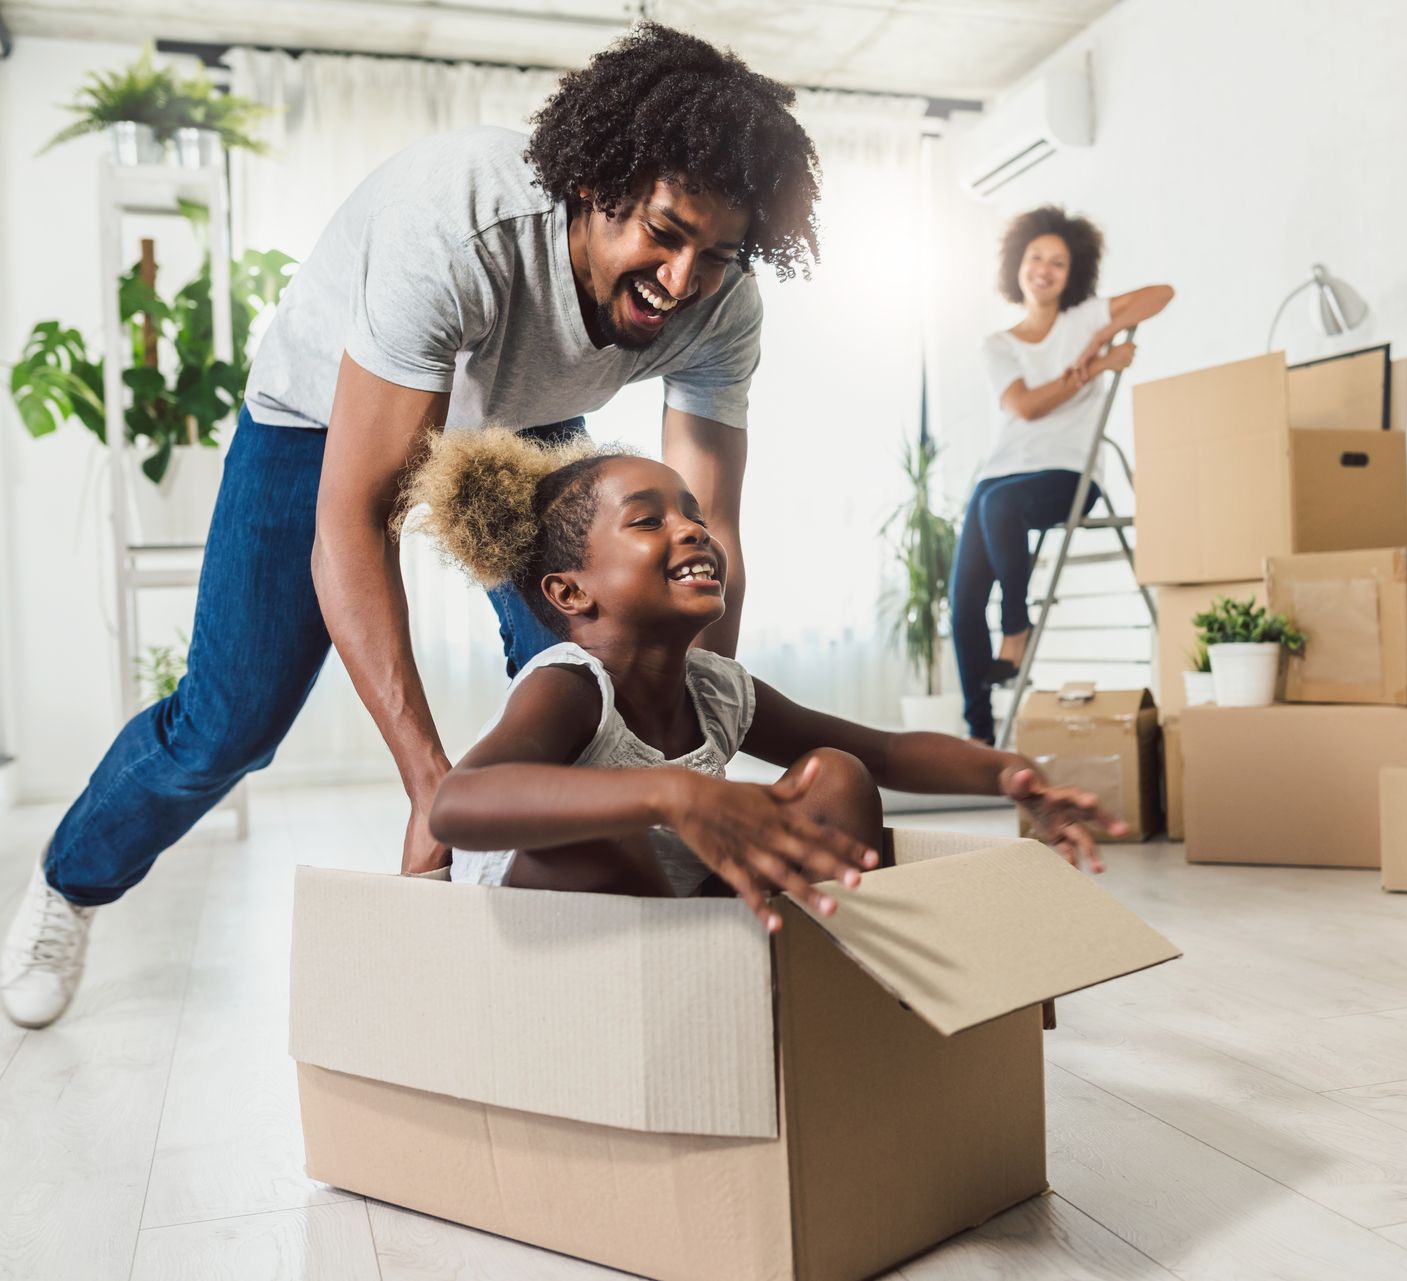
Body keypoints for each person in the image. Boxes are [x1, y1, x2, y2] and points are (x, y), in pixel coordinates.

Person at [1, 25, 820, 1029]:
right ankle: (70, 883)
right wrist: (431, 787)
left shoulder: (722, 304)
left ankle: (579, 944)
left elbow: (707, 536)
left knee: (601, 651)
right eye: (664, 232)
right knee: (229, 723)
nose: (683, 280)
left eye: (718, 253)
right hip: (321, 422)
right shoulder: (461, 224)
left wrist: (697, 750)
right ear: (600, 186)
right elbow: (356, 517)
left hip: (527, 419)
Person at [413, 429, 1124, 930]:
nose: (692, 530)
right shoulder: (569, 685)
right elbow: (456, 804)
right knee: (612, 831)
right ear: (571, 594)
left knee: (836, 776)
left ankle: (811, 983)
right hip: (546, 921)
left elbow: (885, 753)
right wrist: (671, 790)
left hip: (679, 909)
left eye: (693, 514)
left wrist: (1008, 772)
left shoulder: (715, 689)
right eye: (648, 521)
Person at [948, 206, 1173, 744]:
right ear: (1017, 265)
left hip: (1067, 476)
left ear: (1074, 273)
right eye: (1035, 258)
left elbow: (1161, 293)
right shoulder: (998, 344)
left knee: (997, 504)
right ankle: (979, 736)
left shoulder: (1084, 317)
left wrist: (1101, 336)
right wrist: (1097, 368)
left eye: (1058, 261)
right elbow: (1024, 407)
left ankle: (1017, 628)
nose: (1044, 269)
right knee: (962, 604)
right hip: (1000, 475)